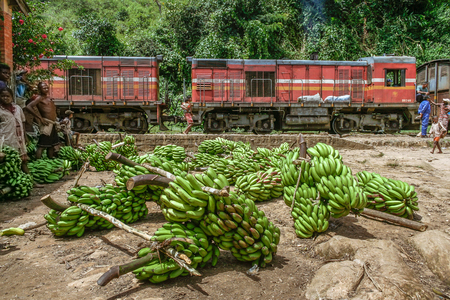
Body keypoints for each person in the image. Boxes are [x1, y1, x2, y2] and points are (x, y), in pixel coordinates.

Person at [25, 82, 59, 158]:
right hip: (47, 123)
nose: (46, 89)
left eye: (47, 87)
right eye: (44, 88)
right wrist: (40, 118)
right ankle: (38, 161)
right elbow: (28, 107)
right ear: (40, 89)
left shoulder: (49, 98)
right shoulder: (39, 98)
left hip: (52, 123)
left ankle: (50, 159)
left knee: (52, 145)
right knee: (42, 145)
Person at [0, 88, 29, 173]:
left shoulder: (17, 108)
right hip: (6, 140)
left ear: (12, 97)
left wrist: (25, 136)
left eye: (7, 96)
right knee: (8, 162)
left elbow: (23, 122)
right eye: (3, 96)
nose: (5, 98)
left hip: (19, 139)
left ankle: (31, 180)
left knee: (23, 161)